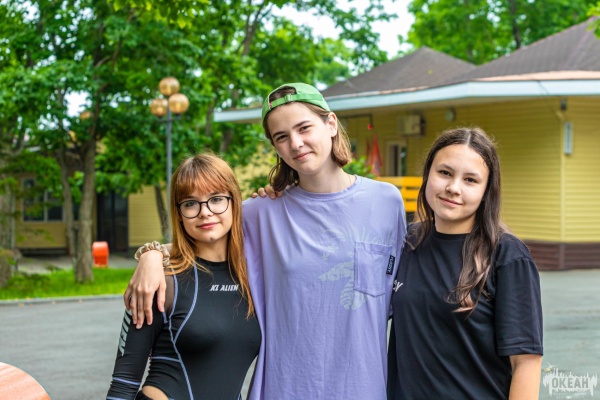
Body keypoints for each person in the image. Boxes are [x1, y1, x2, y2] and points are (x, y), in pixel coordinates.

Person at [126, 82, 407, 399]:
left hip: (363, 388)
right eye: (281, 137)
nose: (296, 143)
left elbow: (402, 296)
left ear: (331, 124)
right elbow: (200, 244)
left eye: (304, 128)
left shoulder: (387, 202)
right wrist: (150, 256)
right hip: (284, 389)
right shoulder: (259, 213)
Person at [387, 127, 543, 399]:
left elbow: (526, 362)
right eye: (445, 173)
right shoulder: (406, 242)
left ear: (486, 191)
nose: (453, 188)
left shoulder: (507, 256)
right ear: (428, 174)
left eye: (470, 180)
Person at [107, 153, 261, 400]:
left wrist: (152, 252)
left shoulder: (254, 275)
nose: (205, 212)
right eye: (190, 203)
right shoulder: (159, 281)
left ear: (234, 201)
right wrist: (151, 255)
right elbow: (123, 383)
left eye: (216, 199)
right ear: (179, 213)